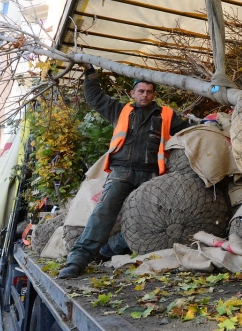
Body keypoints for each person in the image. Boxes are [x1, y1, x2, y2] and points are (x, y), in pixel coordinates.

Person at [58, 64, 190, 279]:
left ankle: (108, 249)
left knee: (154, 218)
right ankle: (77, 260)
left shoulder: (166, 115)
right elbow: (95, 98)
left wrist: (207, 124)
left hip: (152, 175)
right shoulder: (120, 110)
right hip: (122, 172)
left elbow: (187, 132)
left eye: (149, 92)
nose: (144, 95)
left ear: (154, 94)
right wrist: (91, 75)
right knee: (103, 213)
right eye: (141, 91)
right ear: (133, 93)